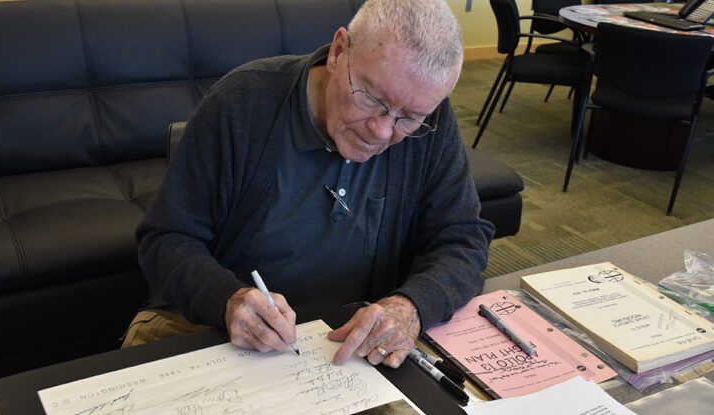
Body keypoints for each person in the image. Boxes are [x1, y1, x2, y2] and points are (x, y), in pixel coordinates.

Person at [122, 0, 494, 369]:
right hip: (215, 330)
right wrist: (228, 300)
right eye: (370, 98)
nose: (382, 130)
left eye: (408, 119)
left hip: (346, 352)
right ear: (338, 51)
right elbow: (166, 239)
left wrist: (411, 306)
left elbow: (463, 238)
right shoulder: (242, 103)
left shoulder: (429, 122)